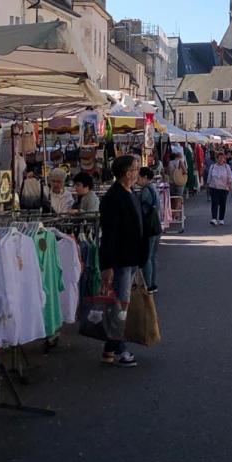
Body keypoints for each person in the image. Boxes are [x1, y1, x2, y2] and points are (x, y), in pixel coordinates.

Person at [99, 155, 148, 367]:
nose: (137, 172)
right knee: (120, 306)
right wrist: (107, 265)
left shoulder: (129, 193)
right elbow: (108, 234)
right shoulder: (113, 197)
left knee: (120, 304)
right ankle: (119, 349)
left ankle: (110, 348)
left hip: (131, 257)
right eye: (135, 169)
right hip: (120, 259)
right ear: (127, 173)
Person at [138, 167, 161, 293]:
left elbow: (144, 211)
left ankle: (148, 284)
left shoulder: (146, 190)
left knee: (147, 257)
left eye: (139, 177)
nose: (137, 180)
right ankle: (152, 283)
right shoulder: (154, 189)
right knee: (152, 257)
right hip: (156, 226)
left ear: (145, 177)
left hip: (149, 228)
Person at [207, 151, 232, 226]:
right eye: (219, 158)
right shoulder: (212, 166)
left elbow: (230, 176)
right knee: (214, 203)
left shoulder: (227, 167)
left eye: (222, 158)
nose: (221, 159)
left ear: (224, 159)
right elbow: (209, 177)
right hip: (214, 187)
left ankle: (221, 219)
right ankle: (214, 218)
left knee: (222, 204)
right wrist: (208, 185)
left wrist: (231, 184)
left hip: (224, 188)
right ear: (217, 158)